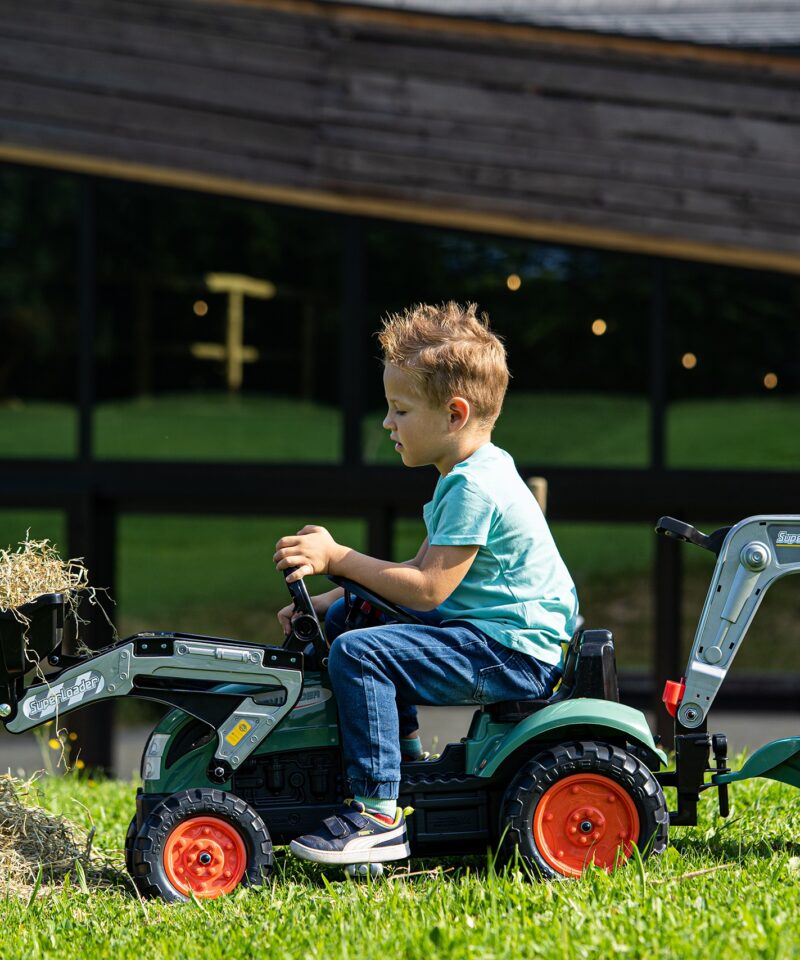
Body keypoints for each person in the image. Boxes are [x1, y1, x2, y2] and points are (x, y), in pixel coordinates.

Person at [274, 302, 578, 865]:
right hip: (489, 634)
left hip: (511, 653)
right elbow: (416, 574)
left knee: (360, 654)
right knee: (353, 620)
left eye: (400, 410)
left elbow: (426, 590)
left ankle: (376, 815)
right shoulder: (469, 473)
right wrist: (334, 598)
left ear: (455, 414)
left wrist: (338, 556)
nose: (387, 423)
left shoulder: (473, 488)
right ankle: (402, 763)